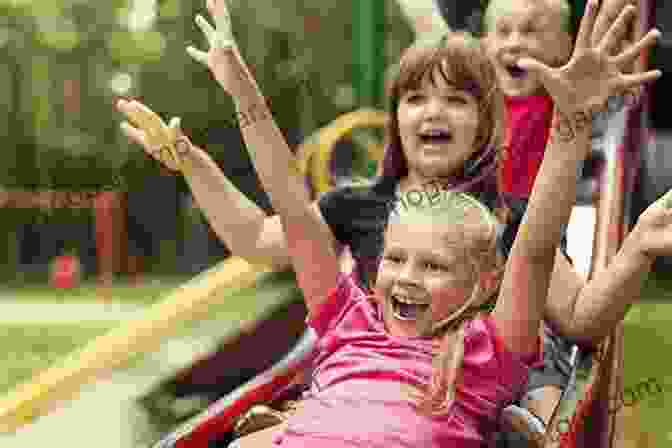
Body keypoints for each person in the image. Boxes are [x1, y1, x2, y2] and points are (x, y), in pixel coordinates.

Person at [116, 0, 661, 445]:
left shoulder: (497, 257)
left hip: (462, 387)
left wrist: (573, 132)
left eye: (455, 101)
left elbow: (541, 256)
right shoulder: (354, 273)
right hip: (351, 379)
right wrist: (213, 132)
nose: (432, 113)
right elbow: (283, 218)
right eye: (416, 99)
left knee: (536, 394)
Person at [479, 0, 643, 435]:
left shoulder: (562, 100)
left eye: (531, 32)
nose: (515, 44)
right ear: (483, 44)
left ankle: (546, 420)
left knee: (543, 345)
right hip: (478, 236)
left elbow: (601, 55)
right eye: (503, 32)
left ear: (566, 47)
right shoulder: (473, 106)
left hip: (540, 237)